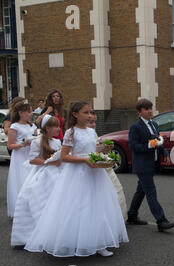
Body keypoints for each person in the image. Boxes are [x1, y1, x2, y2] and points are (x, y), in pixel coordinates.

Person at [25, 101, 128, 257]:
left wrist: (103, 149)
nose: (89, 115)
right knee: (80, 207)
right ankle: (74, 241)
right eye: (85, 112)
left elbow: (92, 149)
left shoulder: (91, 131)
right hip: (78, 174)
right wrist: (85, 160)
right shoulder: (71, 132)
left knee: (97, 205)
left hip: (95, 172)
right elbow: (65, 156)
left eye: (91, 112)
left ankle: (99, 242)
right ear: (75, 114)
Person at [11, 115, 62, 247]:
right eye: (55, 126)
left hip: (56, 172)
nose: (58, 129)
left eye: (58, 126)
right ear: (47, 128)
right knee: (38, 201)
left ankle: (55, 233)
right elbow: (33, 159)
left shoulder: (57, 142)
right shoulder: (37, 141)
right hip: (43, 174)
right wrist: (49, 161)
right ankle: (31, 235)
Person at [126, 98, 174, 231]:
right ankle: (161, 221)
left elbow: (159, 141)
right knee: (151, 193)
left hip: (152, 163)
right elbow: (133, 146)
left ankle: (132, 215)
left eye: (150, 108)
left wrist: (165, 154)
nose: (150, 111)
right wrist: (149, 145)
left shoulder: (154, 124)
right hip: (142, 165)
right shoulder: (135, 127)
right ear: (139, 112)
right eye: (146, 109)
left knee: (141, 191)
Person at [88, 111, 127, 219]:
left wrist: (105, 148)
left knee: (117, 192)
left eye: (94, 122)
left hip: (102, 163)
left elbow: (97, 148)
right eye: (91, 122)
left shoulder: (92, 133)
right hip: (93, 165)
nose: (93, 125)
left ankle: (117, 219)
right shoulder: (81, 134)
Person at [6, 101, 37, 218]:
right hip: (20, 156)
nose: (31, 114)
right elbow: (10, 145)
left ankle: (32, 207)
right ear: (20, 113)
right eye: (28, 111)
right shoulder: (14, 126)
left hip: (31, 155)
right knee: (22, 180)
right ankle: (20, 209)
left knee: (32, 181)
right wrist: (23, 144)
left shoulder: (32, 126)